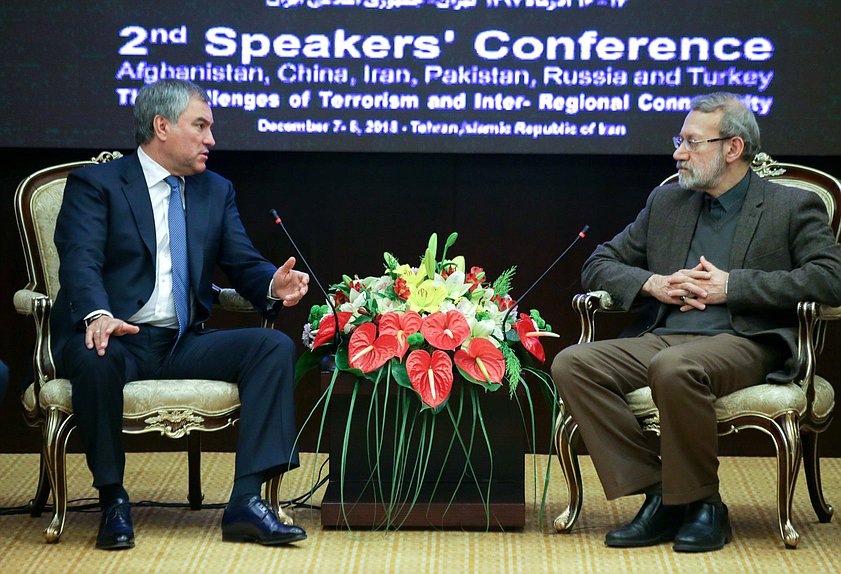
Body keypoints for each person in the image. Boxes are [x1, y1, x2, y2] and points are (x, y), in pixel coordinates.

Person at [551, 92, 841, 553]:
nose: (678, 153)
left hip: (745, 340)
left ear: (732, 148)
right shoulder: (667, 203)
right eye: (679, 141)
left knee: (675, 368)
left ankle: (705, 503)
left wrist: (735, 287)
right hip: (665, 335)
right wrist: (654, 284)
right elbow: (600, 262)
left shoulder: (789, 206)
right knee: (573, 364)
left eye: (691, 142)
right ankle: (663, 494)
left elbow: (830, 279)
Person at [52, 79, 310, 550]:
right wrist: (98, 314)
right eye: (201, 126)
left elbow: (242, 260)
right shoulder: (98, 184)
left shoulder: (215, 190)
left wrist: (274, 283)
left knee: (271, 346)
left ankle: (247, 501)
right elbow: (79, 261)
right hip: (117, 336)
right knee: (95, 356)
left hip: (180, 342)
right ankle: (113, 499)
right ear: (162, 126)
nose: (211, 139)